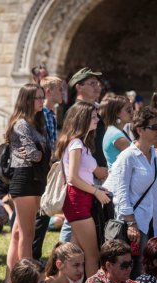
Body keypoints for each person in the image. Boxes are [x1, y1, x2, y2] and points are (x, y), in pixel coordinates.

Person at [104, 107, 157, 279]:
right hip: (136, 224)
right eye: (154, 127)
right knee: (135, 270)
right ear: (140, 130)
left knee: (152, 268)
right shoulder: (127, 157)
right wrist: (131, 223)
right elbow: (121, 193)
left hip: (155, 221)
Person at [55, 101, 110, 277]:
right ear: (83, 119)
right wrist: (96, 192)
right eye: (93, 116)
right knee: (92, 255)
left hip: (80, 198)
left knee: (75, 254)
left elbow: (80, 176)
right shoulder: (77, 144)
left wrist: (95, 188)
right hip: (77, 200)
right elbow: (73, 178)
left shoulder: (80, 143)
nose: (97, 119)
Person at [60, 68, 108, 243]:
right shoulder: (76, 112)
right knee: (72, 222)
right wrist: (95, 170)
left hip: (92, 173)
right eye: (92, 83)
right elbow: (73, 149)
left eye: (98, 83)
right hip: (83, 178)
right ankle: (63, 258)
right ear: (79, 87)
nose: (98, 87)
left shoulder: (93, 109)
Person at [6, 83, 51, 268]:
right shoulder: (22, 123)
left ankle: (11, 279)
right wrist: (40, 153)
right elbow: (34, 154)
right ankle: (27, 275)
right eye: (38, 98)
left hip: (34, 178)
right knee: (27, 233)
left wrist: (39, 153)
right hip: (25, 178)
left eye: (43, 97)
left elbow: (41, 152)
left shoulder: (37, 123)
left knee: (18, 233)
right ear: (28, 100)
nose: (42, 101)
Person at [32, 76, 63, 261]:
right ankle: (33, 254)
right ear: (49, 91)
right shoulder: (42, 113)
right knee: (40, 214)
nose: (62, 94)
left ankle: (35, 253)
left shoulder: (51, 113)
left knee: (43, 213)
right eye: (59, 90)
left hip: (49, 167)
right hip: (42, 168)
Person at [101, 95, 133, 168]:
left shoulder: (114, 130)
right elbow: (138, 157)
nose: (132, 113)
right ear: (117, 113)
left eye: (132, 109)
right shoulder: (116, 135)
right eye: (128, 110)